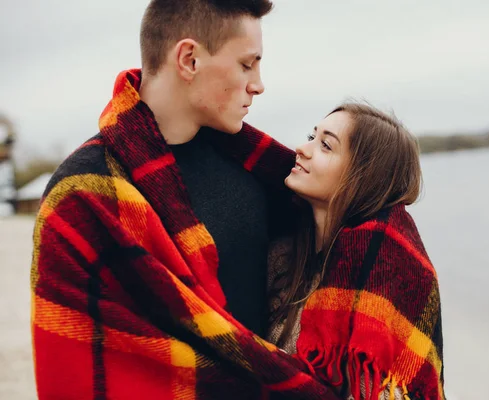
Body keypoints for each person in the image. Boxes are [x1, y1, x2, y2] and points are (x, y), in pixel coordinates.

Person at [30, 1, 342, 399]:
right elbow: (71, 370)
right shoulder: (83, 197)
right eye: (248, 65)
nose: (259, 84)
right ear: (189, 59)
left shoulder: (261, 173)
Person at [266, 102, 445, 399]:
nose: (302, 148)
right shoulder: (282, 254)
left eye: (325, 145)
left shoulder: (386, 270)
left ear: (363, 175)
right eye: (311, 137)